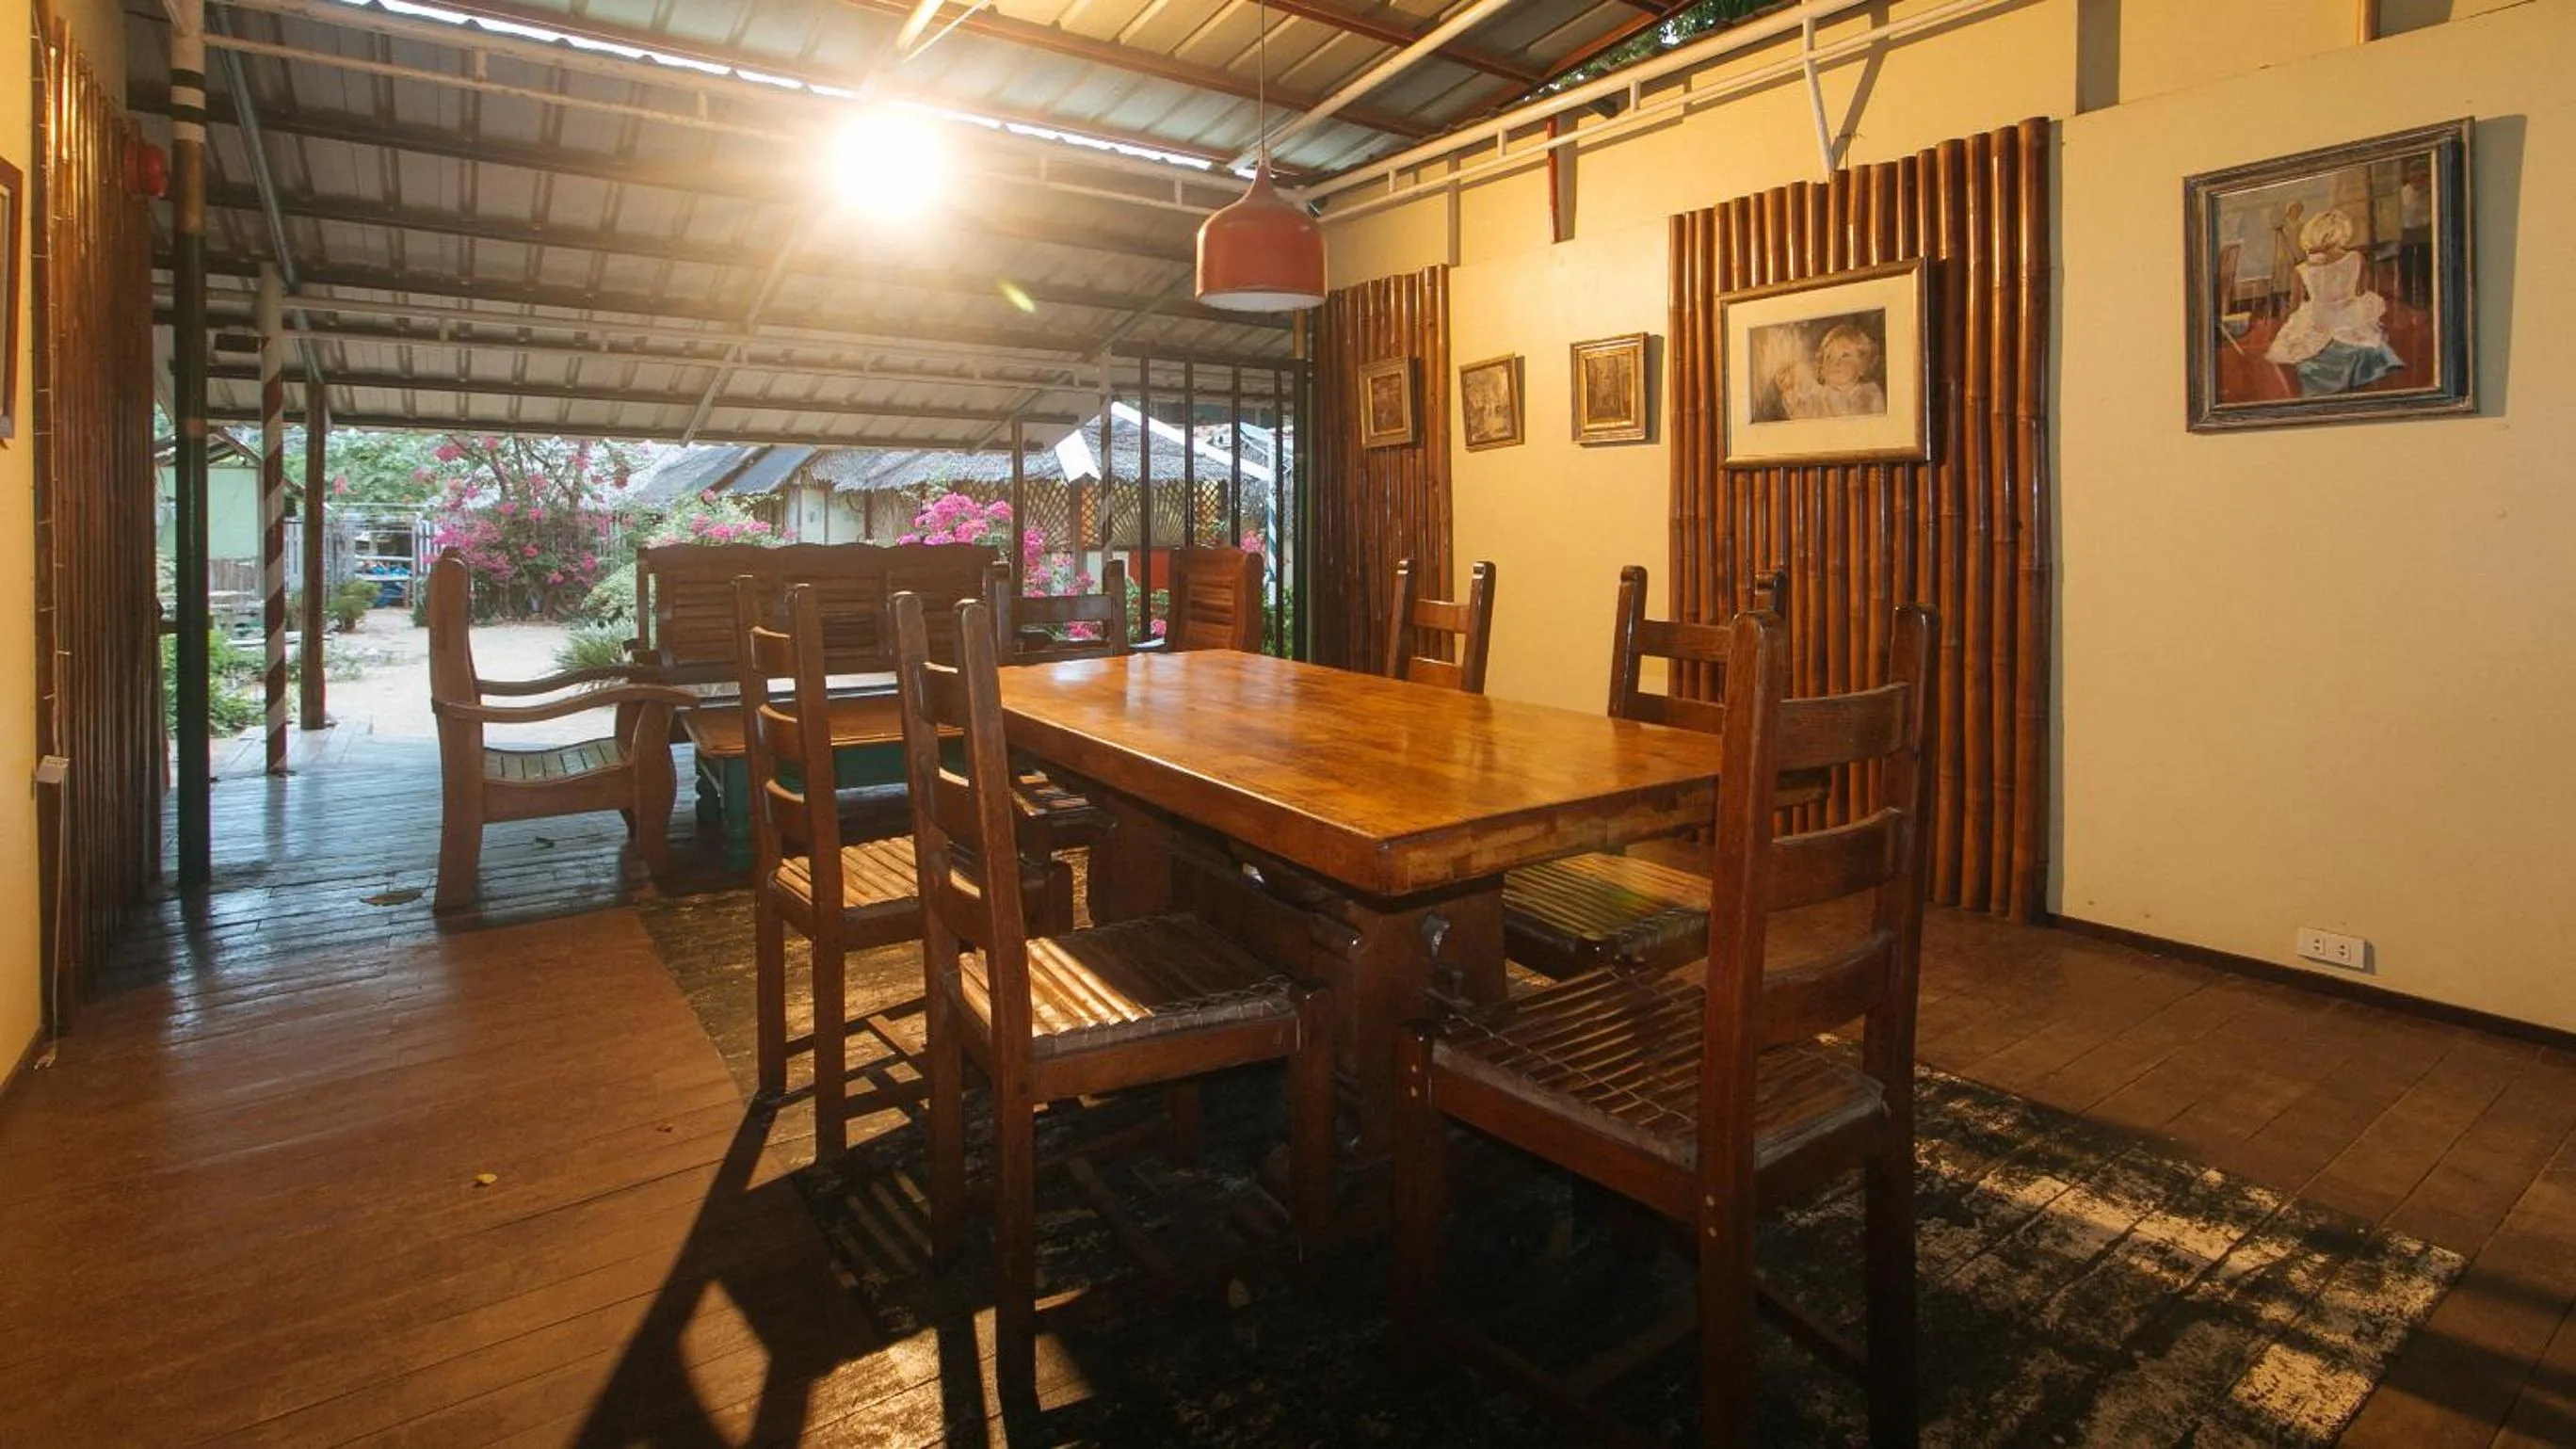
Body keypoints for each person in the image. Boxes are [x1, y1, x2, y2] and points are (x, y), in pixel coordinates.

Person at [2262, 206, 2403, 396]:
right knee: (2370, 325)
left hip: (2320, 318)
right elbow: (2361, 291)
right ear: (2341, 234)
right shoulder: (2356, 258)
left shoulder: (2301, 269)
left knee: (2295, 335)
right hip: (2348, 315)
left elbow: (2295, 305)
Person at [1773, 322, 1887, 418]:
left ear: (1862, 365)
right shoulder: (1818, 397)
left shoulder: (1870, 394)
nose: (1835, 362)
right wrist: (1788, 389)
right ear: (1821, 369)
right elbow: (1800, 414)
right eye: (1829, 357)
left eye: (1845, 355)